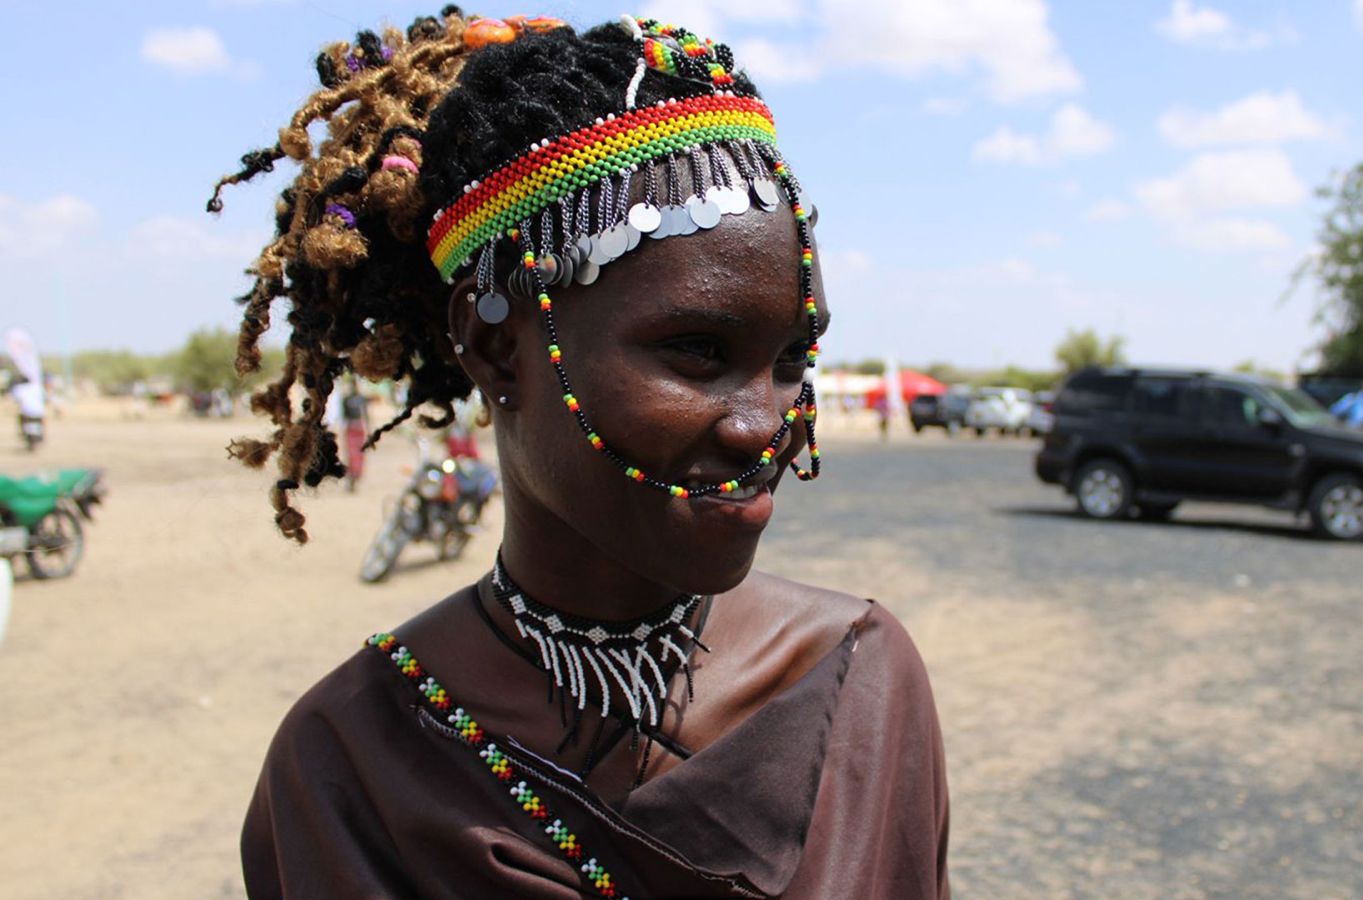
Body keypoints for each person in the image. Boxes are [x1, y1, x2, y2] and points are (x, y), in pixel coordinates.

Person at [209, 11, 948, 899]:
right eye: (698, 352)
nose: (764, 425)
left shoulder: (859, 679)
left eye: (791, 359)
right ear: (493, 350)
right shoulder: (355, 762)